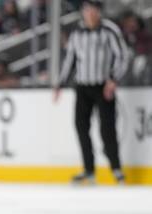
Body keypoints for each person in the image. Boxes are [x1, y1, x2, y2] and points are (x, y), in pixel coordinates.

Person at [53, 0, 129, 184]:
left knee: (107, 129)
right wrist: (60, 84)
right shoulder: (77, 33)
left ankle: (116, 168)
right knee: (81, 128)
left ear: (99, 11)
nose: (91, 13)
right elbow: (70, 59)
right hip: (83, 87)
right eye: (87, 9)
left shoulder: (109, 30)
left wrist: (113, 79)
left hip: (103, 86)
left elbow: (122, 55)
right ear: (83, 12)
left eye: (94, 9)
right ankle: (89, 170)